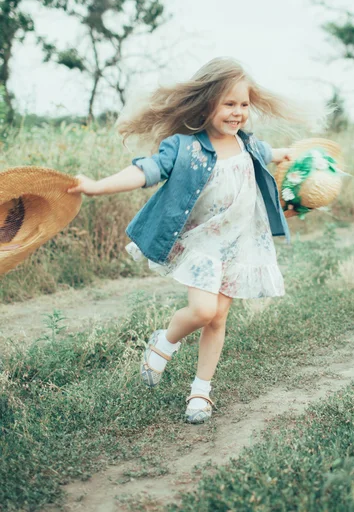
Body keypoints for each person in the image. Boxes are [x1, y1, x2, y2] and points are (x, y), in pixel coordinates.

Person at [68, 57, 325, 424]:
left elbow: (266, 155)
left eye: (243, 105)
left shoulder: (248, 144)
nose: (237, 113)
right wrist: (96, 187)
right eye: (228, 104)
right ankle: (166, 340)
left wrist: (285, 156)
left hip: (240, 243)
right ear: (207, 104)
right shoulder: (184, 147)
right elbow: (145, 171)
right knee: (203, 311)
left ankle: (200, 391)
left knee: (218, 318)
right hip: (202, 241)